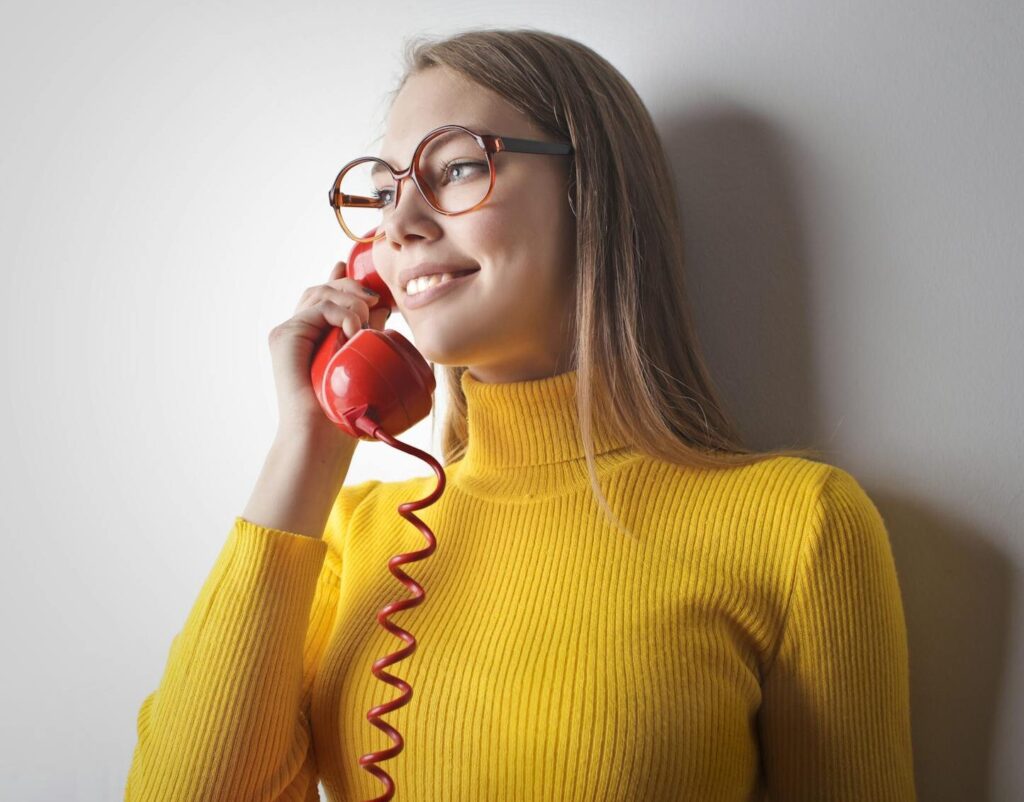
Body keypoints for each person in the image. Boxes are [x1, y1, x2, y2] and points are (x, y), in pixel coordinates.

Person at [124, 27, 917, 802]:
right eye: (386, 191)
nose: (397, 226)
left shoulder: (798, 526)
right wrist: (307, 447)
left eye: (458, 168)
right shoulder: (358, 537)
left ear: (591, 195)